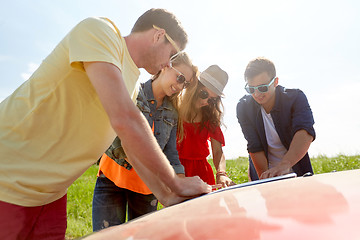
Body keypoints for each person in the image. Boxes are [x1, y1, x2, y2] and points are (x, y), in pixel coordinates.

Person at [0, 8, 211, 240]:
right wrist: (175, 183)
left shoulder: (128, 79)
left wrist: (166, 194)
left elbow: (131, 148)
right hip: (8, 178)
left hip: (52, 194)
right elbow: (125, 119)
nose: (167, 64)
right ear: (158, 35)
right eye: (171, 55)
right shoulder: (100, 31)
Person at [92, 52, 198, 231]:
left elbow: (171, 154)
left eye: (185, 83)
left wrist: (181, 187)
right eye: (180, 78)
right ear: (166, 65)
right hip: (111, 180)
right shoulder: (133, 92)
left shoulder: (173, 113)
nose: (180, 86)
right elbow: (121, 139)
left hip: (147, 190)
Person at [236, 57, 315, 181]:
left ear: (275, 82)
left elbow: (305, 133)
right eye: (251, 89)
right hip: (263, 173)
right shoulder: (244, 107)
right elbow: (254, 146)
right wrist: (265, 178)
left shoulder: (296, 98)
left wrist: (284, 165)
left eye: (262, 88)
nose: (256, 94)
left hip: (297, 172)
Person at [177, 65, 235, 188]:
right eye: (204, 94)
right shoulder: (174, 109)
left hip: (202, 175)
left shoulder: (210, 117)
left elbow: (218, 151)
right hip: (177, 171)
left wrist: (221, 173)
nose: (205, 102)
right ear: (195, 86)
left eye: (212, 100)